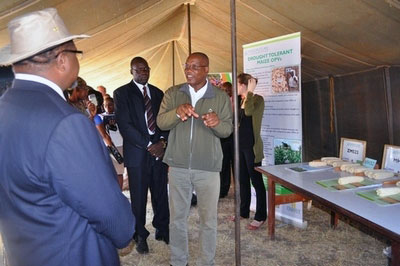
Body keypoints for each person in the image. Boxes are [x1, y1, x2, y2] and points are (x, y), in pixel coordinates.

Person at [0, 8, 135, 266]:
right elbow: (112, 217)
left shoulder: (5, 107)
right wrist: (126, 226)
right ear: (63, 59)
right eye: (76, 52)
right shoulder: (66, 122)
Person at [157, 52, 233, 266]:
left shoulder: (219, 96)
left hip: (208, 168)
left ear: (206, 69)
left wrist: (217, 122)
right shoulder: (173, 93)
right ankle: (178, 260)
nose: (188, 70)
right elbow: (161, 122)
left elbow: (227, 130)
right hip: (178, 166)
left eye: (194, 66)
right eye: (187, 66)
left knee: (208, 220)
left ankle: (206, 261)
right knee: (177, 219)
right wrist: (176, 112)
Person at [114, 56, 169, 254]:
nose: (143, 72)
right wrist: (149, 144)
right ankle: (140, 234)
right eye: (139, 70)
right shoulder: (122, 93)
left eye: (146, 69)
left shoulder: (157, 92)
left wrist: (162, 142)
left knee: (161, 193)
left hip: (159, 153)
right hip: (138, 154)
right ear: (131, 72)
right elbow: (125, 126)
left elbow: (165, 121)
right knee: (138, 198)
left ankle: (163, 228)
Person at [237, 73, 267, 230]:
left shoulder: (257, 100)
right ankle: (243, 212)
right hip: (240, 147)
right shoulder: (240, 100)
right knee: (242, 180)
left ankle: (261, 216)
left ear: (244, 85)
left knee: (256, 181)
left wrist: (250, 91)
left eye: (238, 84)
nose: (236, 87)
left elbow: (248, 112)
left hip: (252, 148)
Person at [219, 81, 234, 198]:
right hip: (223, 138)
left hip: (234, 138)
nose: (225, 92)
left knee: (235, 165)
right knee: (223, 165)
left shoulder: (236, 101)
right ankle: (223, 190)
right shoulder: (220, 103)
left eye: (227, 90)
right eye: (223, 90)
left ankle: (238, 190)